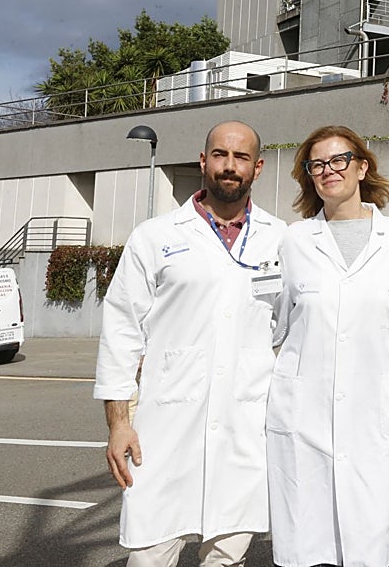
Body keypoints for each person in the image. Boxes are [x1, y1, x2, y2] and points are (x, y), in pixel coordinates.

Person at [95, 121, 285, 567]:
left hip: (246, 425)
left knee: (227, 557)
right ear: (203, 161)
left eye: (241, 158)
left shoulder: (281, 239)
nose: (229, 167)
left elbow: (291, 331)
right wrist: (118, 423)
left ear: (257, 168)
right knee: (149, 554)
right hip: (165, 427)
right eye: (220, 155)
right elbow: (121, 330)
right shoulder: (156, 237)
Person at [266, 125, 389, 567]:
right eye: (318, 165)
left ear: (362, 166)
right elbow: (276, 324)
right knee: (305, 541)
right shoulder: (294, 241)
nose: (329, 170)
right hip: (303, 415)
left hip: (375, 417)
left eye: (339, 160)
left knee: (367, 543)